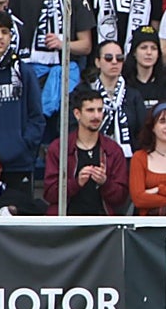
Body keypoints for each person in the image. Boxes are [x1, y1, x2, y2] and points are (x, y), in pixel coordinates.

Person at [9, 0, 95, 112]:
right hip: (28, 70)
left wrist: (62, 43)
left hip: (64, 70)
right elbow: (12, 37)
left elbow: (86, 45)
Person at [0, 9, 43, 190]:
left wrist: (23, 143)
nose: (0, 37)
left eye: (4, 32)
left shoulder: (24, 71)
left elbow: (36, 115)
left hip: (19, 162)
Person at [44, 85, 129, 215]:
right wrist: (76, 183)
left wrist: (105, 182)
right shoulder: (59, 148)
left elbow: (121, 197)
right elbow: (50, 194)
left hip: (103, 224)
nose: (96, 116)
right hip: (67, 221)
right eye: (90, 110)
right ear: (77, 114)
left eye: (100, 110)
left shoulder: (113, 150)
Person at [124, 25, 166, 112]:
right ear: (134, 52)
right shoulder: (123, 84)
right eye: (143, 48)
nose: (149, 52)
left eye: (154, 48)